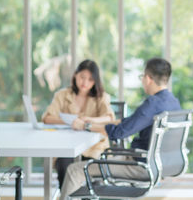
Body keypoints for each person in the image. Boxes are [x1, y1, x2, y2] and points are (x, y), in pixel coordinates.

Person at [59, 57, 181, 200]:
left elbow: (119, 133)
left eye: (142, 77)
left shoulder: (152, 103)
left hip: (139, 165)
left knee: (74, 170)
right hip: (157, 163)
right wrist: (92, 121)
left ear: (148, 78)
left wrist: (85, 126)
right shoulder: (172, 102)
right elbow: (129, 122)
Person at [42, 59, 115, 189]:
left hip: (94, 148)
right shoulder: (62, 95)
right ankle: (68, 196)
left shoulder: (101, 97)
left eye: (90, 80)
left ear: (95, 81)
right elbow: (47, 118)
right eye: (82, 77)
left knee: (92, 174)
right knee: (64, 163)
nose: (85, 83)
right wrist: (70, 121)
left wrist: (90, 120)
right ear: (75, 75)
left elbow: (109, 118)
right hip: (67, 146)